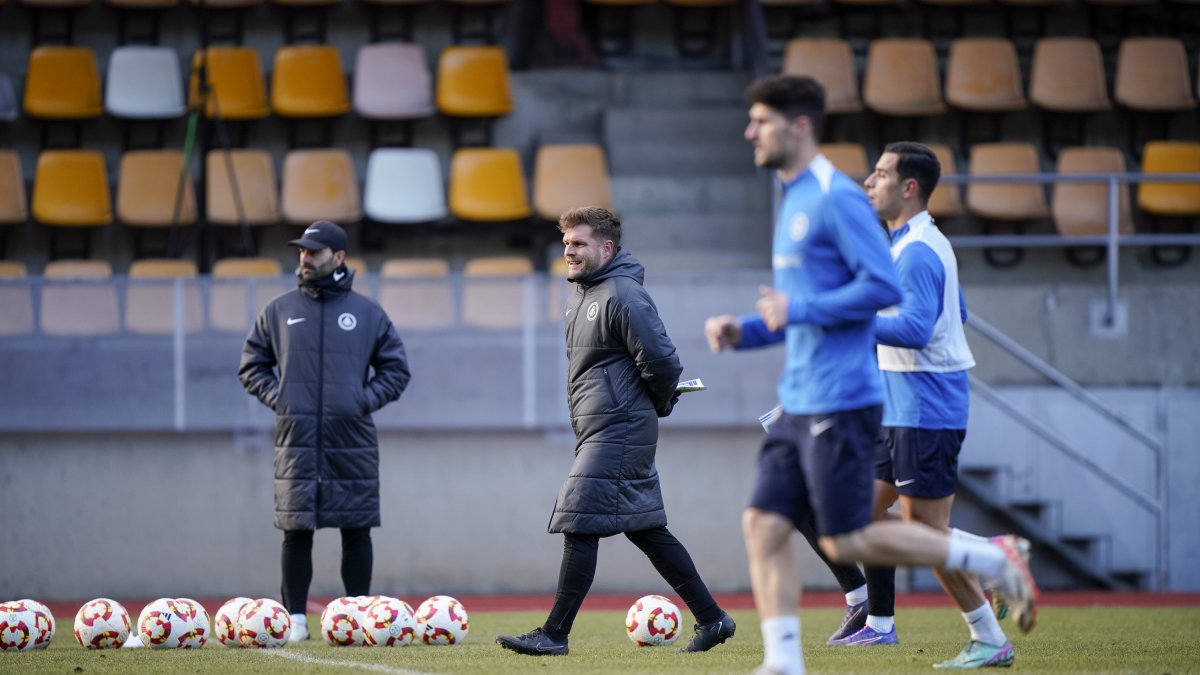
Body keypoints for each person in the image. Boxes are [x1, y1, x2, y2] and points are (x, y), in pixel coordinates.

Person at [703, 75, 1038, 675]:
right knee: (766, 523)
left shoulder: (841, 202)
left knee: (853, 537)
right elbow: (807, 309)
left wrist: (799, 311)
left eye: (760, 120)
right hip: (811, 396)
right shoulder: (796, 200)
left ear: (799, 125)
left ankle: (988, 562)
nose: (749, 131)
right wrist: (746, 330)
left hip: (863, 402)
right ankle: (789, 660)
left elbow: (882, 299)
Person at [495, 206, 736, 657]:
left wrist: (661, 401)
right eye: (566, 243)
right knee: (645, 528)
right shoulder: (581, 295)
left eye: (579, 243)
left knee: (579, 521)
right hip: (601, 427)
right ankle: (713, 618)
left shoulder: (623, 294)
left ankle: (555, 633)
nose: (569, 250)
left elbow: (663, 361)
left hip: (620, 428)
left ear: (606, 248)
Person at [819, 141, 1019, 667]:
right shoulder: (908, 246)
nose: (869, 182)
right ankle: (988, 557)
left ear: (908, 188)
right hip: (900, 409)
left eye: (880, 174)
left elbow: (915, 326)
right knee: (853, 518)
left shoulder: (918, 251)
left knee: (926, 539)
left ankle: (990, 633)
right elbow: (960, 311)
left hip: (924, 411)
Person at [238, 219, 411, 642]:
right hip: (296, 439)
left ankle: (358, 616)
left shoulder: (367, 313)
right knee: (296, 528)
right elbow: (251, 364)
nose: (304, 257)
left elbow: (396, 369)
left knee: (357, 527)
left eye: (314, 251)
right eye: (302, 251)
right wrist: (281, 399)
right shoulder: (278, 310)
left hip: (351, 438)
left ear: (338, 257)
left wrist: (360, 401)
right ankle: (294, 619)